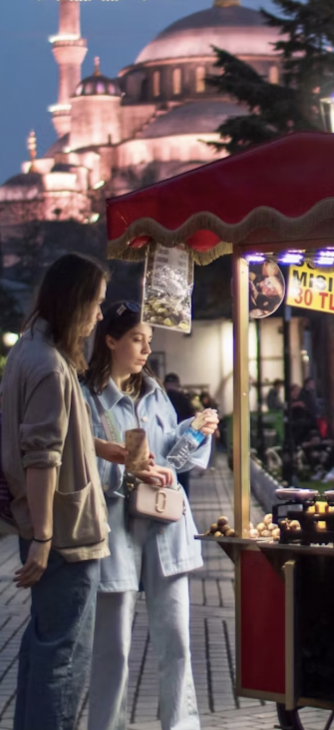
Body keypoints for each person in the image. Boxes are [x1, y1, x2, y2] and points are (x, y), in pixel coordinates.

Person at [83, 302, 218, 730]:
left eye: (149, 341)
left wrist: (195, 431)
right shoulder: (88, 396)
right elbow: (80, 459)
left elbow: (174, 461)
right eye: (137, 339)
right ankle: (107, 725)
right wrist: (126, 467)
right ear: (110, 340)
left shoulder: (154, 393)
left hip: (164, 524)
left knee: (177, 639)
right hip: (114, 527)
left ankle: (181, 724)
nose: (145, 349)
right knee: (113, 647)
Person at [1, 253, 117, 730]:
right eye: (97, 302)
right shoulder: (50, 365)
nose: (99, 315)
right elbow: (41, 456)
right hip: (66, 536)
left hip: (47, 531)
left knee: (43, 646)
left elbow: (54, 433)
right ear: (76, 302)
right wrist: (46, 538)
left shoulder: (26, 351)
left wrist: (103, 449)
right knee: (63, 659)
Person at [164, 373, 196, 495]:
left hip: (166, 443)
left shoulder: (162, 398)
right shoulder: (184, 399)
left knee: (166, 479)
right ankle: (182, 505)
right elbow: (192, 420)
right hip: (183, 442)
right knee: (182, 478)